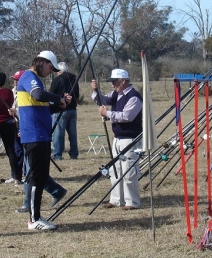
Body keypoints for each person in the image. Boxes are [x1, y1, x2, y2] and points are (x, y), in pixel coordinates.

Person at [17, 51, 70, 230]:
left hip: (41, 135)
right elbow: (39, 95)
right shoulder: (28, 77)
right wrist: (57, 97)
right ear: (42, 62)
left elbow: (43, 109)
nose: (50, 71)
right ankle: (34, 219)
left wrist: (60, 104)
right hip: (34, 135)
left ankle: (36, 216)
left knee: (39, 177)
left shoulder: (36, 79)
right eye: (50, 67)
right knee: (36, 178)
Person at [91, 68, 143, 210]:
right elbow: (102, 99)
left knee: (129, 171)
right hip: (118, 138)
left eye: (115, 82)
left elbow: (127, 116)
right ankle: (116, 200)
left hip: (131, 139)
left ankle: (132, 202)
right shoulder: (116, 93)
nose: (113, 85)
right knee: (115, 170)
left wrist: (107, 113)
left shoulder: (134, 97)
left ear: (123, 81)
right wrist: (96, 91)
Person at [50, 62, 80, 160]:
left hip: (60, 110)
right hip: (73, 110)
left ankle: (57, 154)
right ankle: (74, 154)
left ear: (59, 71)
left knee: (58, 134)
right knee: (73, 134)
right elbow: (78, 95)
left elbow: (51, 95)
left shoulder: (56, 80)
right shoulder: (74, 80)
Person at [5, 70, 25, 185]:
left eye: (18, 80)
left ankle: (26, 175)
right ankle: (15, 175)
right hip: (12, 125)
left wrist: (15, 111)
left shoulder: (26, 93)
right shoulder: (11, 93)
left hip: (23, 124)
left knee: (24, 151)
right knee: (15, 150)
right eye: (14, 80)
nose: (15, 82)